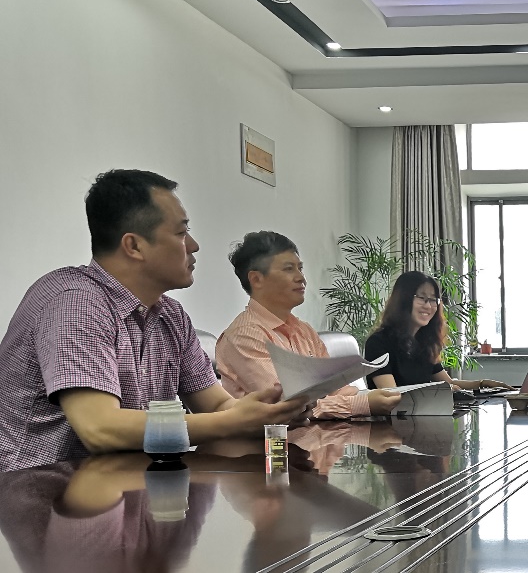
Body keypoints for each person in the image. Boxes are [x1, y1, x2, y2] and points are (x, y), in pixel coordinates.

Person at [0, 170, 307, 472]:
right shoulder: (75, 302)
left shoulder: (171, 315)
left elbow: (216, 406)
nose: (194, 245)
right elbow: (100, 429)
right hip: (34, 489)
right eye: (181, 233)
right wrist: (233, 421)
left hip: (123, 483)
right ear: (134, 246)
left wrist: (267, 412)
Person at [216, 232, 402, 418]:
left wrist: (369, 398)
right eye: (289, 269)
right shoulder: (244, 336)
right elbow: (286, 404)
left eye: (300, 268)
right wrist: (362, 404)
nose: (301, 278)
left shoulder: (304, 330)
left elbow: (337, 389)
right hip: (273, 436)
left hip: (322, 432)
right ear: (257, 279)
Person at [364, 271, 514, 392]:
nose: (429, 306)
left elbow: (448, 383)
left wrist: (483, 384)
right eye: (422, 298)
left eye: (433, 299)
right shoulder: (378, 343)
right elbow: (391, 394)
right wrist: (439, 390)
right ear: (403, 300)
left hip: (424, 416)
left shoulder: (422, 343)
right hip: (391, 420)